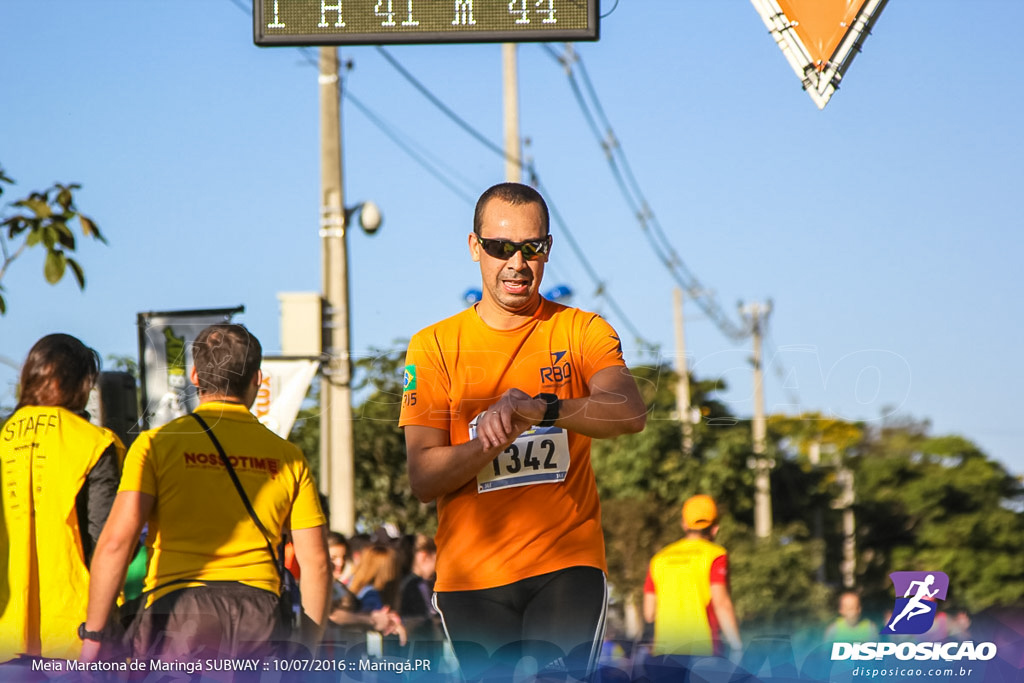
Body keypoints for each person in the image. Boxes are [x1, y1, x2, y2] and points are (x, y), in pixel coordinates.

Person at [399, 182, 647, 678]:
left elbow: (628, 409)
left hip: (566, 565)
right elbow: (424, 478)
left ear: (548, 249)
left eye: (532, 248)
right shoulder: (432, 346)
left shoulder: (582, 330)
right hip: (471, 578)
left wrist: (541, 410)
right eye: (500, 247)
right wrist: (492, 438)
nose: (517, 262)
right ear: (475, 248)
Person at [81, 324, 331, 662]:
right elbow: (315, 563)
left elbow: (116, 543)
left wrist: (94, 636)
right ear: (258, 379)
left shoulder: (156, 445)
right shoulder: (288, 456)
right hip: (259, 618)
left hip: (176, 614)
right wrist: (308, 649)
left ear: (195, 376)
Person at [0, 334, 125, 664]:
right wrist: (99, 633)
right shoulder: (94, 443)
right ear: (83, 383)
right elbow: (105, 543)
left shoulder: (2, 438)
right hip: (76, 634)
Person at [643, 495, 741, 657]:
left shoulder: (659, 559)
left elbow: (649, 613)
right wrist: (737, 646)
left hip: (665, 653)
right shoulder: (715, 555)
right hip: (703, 650)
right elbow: (721, 604)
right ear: (715, 527)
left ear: (683, 524)